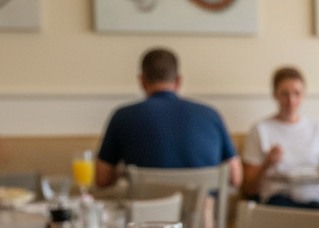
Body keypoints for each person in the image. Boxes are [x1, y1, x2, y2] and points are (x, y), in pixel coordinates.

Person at [95, 48, 241, 189]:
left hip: (148, 212)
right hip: (202, 212)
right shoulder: (211, 115)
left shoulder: (122, 117)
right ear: (179, 80)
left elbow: (102, 179)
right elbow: (236, 178)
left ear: (142, 81)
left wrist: (123, 173)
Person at [241, 67, 319, 208]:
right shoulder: (260, 130)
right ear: (275, 94)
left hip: (315, 202)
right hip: (278, 202)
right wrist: (267, 163)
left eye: (296, 93)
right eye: (284, 94)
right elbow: (248, 189)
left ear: (303, 95)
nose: (291, 100)